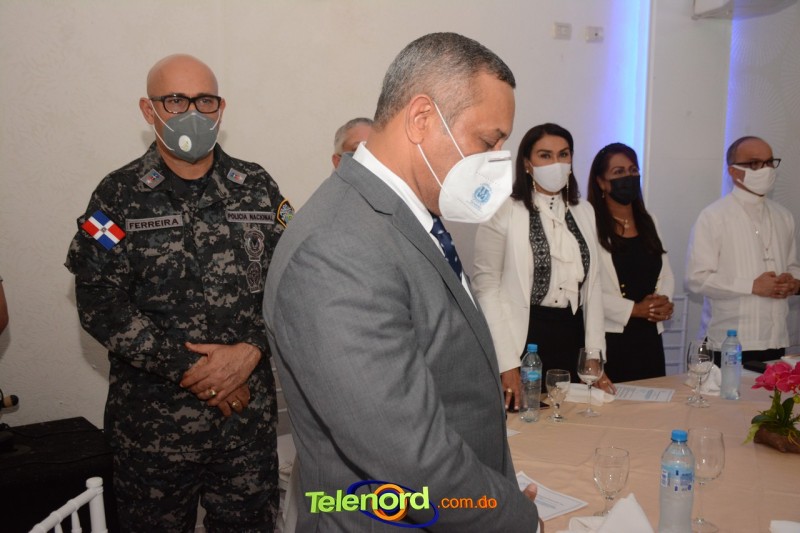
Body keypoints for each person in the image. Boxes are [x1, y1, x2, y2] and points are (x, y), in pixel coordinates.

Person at [264, 33, 541, 531]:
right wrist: (515, 518)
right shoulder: (338, 248)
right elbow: (415, 463)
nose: (498, 161)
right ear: (421, 119)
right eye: (488, 141)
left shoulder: (405, 219)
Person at [65, 54, 292, 532]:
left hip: (245, 427)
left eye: (204, 100)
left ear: (221, 108)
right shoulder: (117, 196)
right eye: (175, 100)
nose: (192, 112)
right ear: (148, 110)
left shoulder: (256, 186)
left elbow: (294, 283)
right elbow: (99, 301)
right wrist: (196, 370)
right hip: (154, 435)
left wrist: (251, 350)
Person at [472, 123, 614, 411]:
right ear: (527, 163)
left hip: (571, 336)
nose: (556, 163)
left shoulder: (584, 211)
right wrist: (506, 363)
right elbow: (487, 288)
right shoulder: (503, 210)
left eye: (563, 154)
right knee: (527, 425)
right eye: (545, 155)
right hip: (524, 340)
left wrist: (594, 354)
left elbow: (594, 286)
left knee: (573, 423)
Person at [686, 136, 800, 365]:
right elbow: (696, 279)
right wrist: (752, 285)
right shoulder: (714, 216)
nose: (766, 170)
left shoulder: (783, 216)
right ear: (733, 171)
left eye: (770, 162)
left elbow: (792, 266)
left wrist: (793, 283)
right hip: (728, 341)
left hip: (776, 338)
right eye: (755, 164)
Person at [587, 143, 675, 382]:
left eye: (633, 170)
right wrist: (634, 309)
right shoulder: (589, 224)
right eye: (618, 172)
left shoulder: (649, 220)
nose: (628, 177)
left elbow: (665, 273)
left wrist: (662, 302)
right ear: (601, 182)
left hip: (649, 336)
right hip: (611, 336)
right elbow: (586, 289)